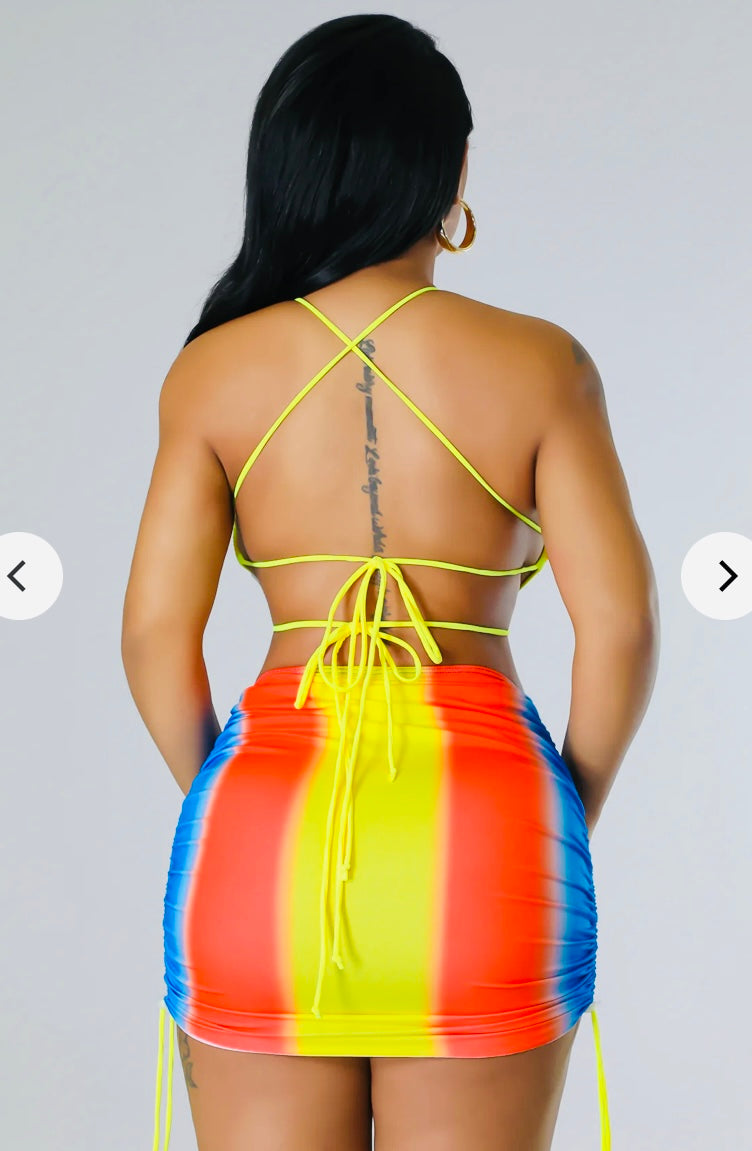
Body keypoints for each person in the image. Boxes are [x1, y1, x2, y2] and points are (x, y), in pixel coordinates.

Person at [122, 13, 659, 1151]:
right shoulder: (543, 363)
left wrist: (229, 793)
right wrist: (561, 809)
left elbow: (153, 635)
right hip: (487, 825)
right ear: (449, 168)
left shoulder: (210, 372)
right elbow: (618, 627)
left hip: (262, 829)